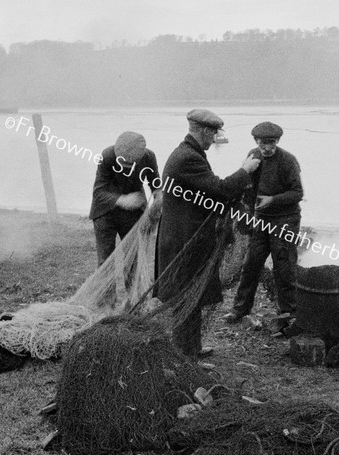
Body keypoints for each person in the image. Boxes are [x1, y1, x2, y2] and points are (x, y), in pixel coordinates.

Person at [156, 109, 261, 358]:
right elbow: (219, 189)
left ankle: (192, 349)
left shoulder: (189, 153)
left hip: (185, 238)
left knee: (192, 297)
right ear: (204, 131)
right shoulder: (188, 158)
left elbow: (206, 195)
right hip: (184, 241)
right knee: (186, 297)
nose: (214, 138)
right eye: (213, 133)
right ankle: (185, 354)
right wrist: (245, 170)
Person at [222, 122, 304, 326]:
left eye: (271, 143)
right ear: (255, 141)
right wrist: (246, 214)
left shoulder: (288, 161)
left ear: (277, 141)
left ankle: (289, 313)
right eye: (263, 143)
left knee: (283, 266)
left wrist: (273, 200)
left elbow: (297, 193)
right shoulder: (253, 157)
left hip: (285, 219)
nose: (267, 147)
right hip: (260, 219)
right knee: (251, 264)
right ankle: (239, 310)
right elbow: (246, 187)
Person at [89, 131, 159, 266]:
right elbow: (98, 193)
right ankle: (108, 287)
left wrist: (158, 201)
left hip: (132, 213)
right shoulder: (107, 155)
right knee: (106, 262)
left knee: (132, 259)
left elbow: (155, 184)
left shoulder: (149, 157)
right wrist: (123, 200)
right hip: (105, 212)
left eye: (130, 164)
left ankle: (131, 287)